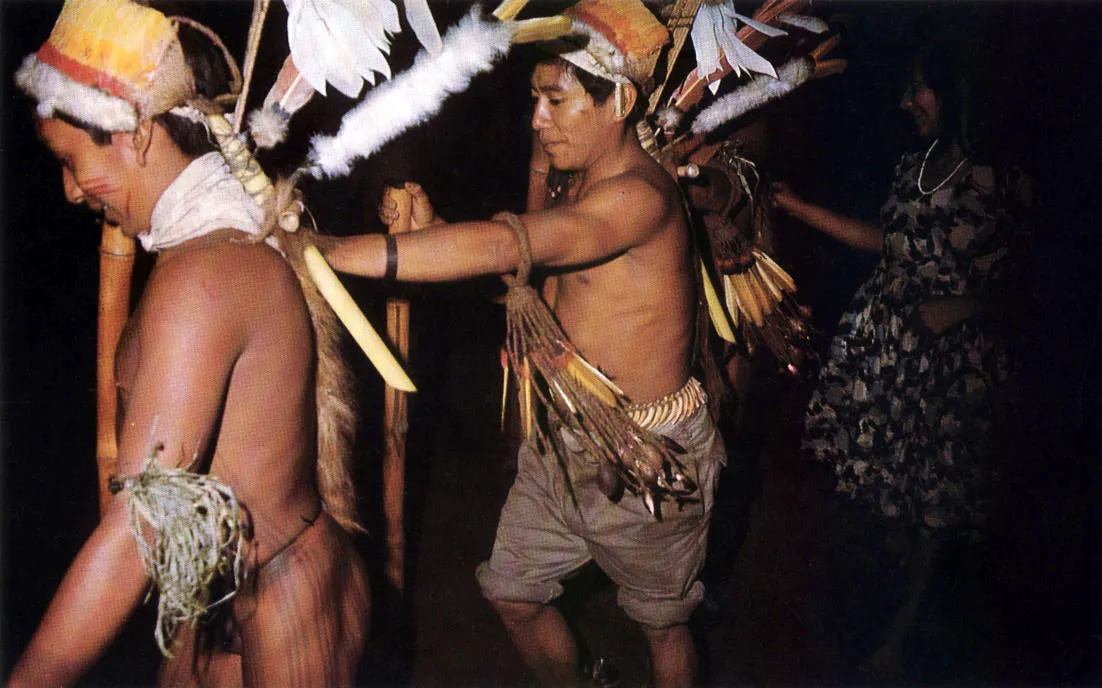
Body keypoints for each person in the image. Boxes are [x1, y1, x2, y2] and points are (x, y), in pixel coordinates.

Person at [325, 1, 727, 685]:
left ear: (619, 100)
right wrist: (432, 230)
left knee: (662, 624)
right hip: (564, 441)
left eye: (555, 100)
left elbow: (505, 245)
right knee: (511, 592)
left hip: (649, 459)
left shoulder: (639, 199)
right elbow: (527, 297)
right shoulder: (584, 184)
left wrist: (328, 251)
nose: (537, 120)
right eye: (535, 99)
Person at [8, 2, 369, 685]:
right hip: (220, 603)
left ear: (136, 134)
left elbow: (138, 532)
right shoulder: (200, 251)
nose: (69, 191)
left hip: (290, 607)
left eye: (70, 161)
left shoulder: (203, 278)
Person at [770, 41, 1032, 678]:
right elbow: (889, 246)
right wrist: (800, 208)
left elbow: (1042, 284)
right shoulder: (916, 163)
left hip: (953, 360)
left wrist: (965, 306)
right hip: (885, 346)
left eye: (920, 88)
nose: (906, 101)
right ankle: (877, 620)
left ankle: (900, 640)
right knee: (884, 495)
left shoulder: (1005, 177)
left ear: (957, 91)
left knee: (936, 510)